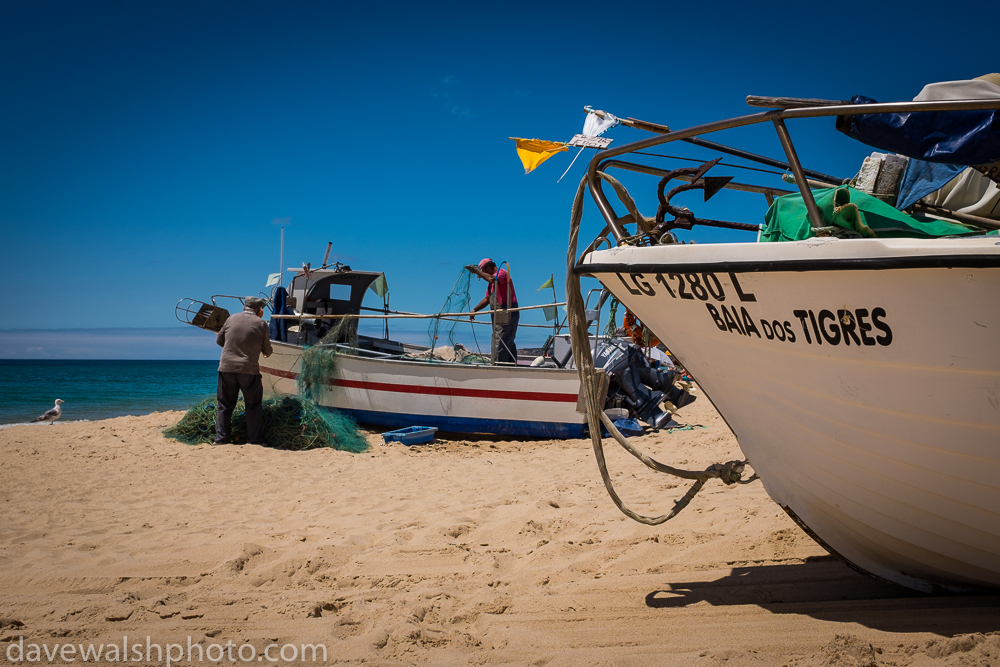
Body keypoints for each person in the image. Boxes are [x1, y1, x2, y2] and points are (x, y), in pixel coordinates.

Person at [215, 296, 273, 444]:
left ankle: (221, 438)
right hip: (249, 371)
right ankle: (254, 439)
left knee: (225, 405)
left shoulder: (231, 318)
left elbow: (219, 341)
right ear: (259, 310)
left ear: (244, 307)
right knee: (253, 406)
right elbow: (267, 350)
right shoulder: (261, 323)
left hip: (226, 368)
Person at [465, 258, 519, 364]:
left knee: (502, 340)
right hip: (499, 315)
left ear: (488, 267)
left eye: (483, 272)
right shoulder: (491, 283)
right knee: (503, 338)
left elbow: (491, 279)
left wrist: (476, 271)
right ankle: (509, 364)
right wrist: (474, 310)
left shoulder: (502, 273)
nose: (482, 275)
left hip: (507, 313)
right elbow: (487, 299)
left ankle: (499, 365)